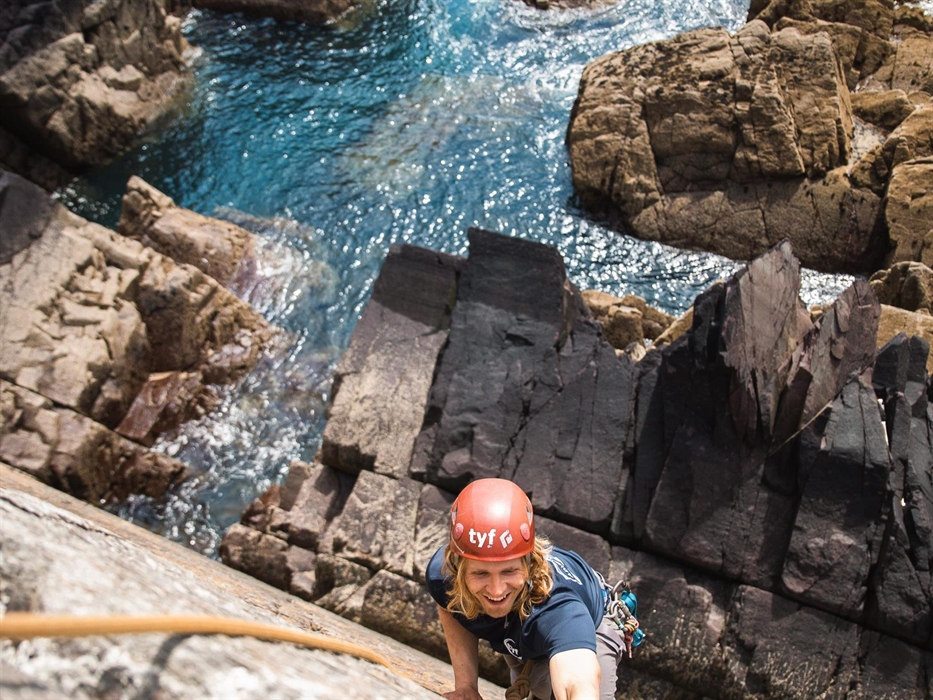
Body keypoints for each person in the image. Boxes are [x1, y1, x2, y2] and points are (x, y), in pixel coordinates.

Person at [426, 478, 642, 700]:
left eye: (509, 571)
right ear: (457, 567)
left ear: (529, 563)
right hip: (520, 628)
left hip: (590, 625)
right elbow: (450, 604)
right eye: (481, 573)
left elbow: (578, 676)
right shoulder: (443, 576)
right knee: (540, 683)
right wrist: (466, 686)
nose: (497, 590)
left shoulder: (559, 607)